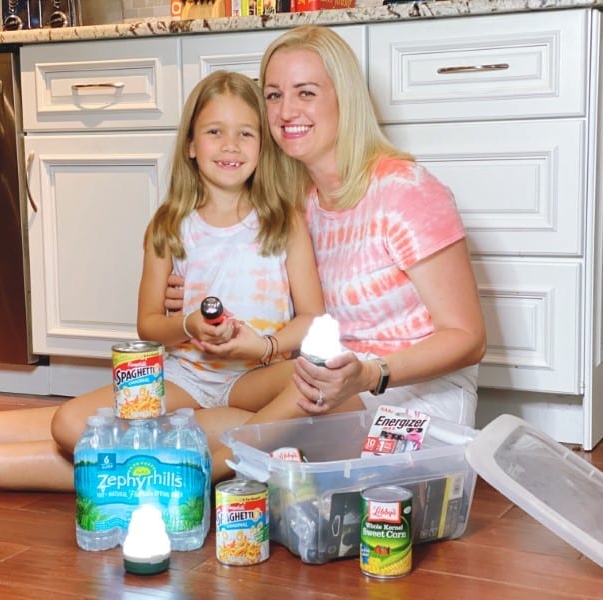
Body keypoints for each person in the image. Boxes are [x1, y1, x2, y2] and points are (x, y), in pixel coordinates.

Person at [0, 70, 323, 491]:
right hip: (186, 378)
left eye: (246, 134)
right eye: (214, 131)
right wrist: (187, 325)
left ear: (264, 146)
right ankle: (202, 458)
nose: (230, 146)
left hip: (255, 377)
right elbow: (148, 324)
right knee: (70, 424)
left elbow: (313, 318)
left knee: (318, 378)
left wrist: (267, 346)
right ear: (190, 145)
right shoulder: (169, 226)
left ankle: (200, 459)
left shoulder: (283, 223)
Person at [160, 25, 486, 481]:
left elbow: (468, 338)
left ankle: (189, 481)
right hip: (323, 385)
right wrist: (188, 295)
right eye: (273, 95)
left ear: (344, 99)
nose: (286, 111)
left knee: (206, 433)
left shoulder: (407, 192)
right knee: (190, 425)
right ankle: (154, 473)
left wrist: (371, 375)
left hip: (410, 395)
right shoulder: (300, 200)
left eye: (305, 92)